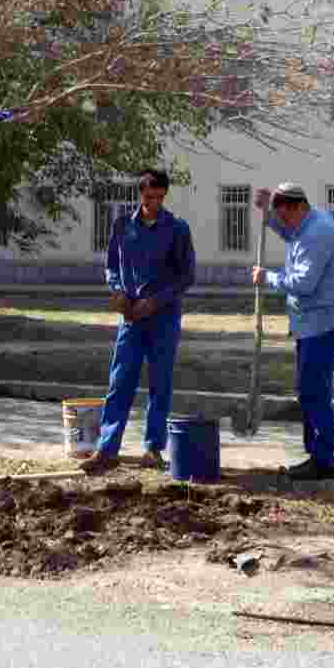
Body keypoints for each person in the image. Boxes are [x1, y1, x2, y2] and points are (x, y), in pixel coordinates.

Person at [81, 169, 196, 475]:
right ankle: (107, 450)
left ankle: (153, 449)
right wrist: (117, 292)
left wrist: (155, 302)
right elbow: (111, 267)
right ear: (140, 194)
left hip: (163, 317)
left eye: (160, 197)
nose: (154, 202)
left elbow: (186, 276)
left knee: (160, 384)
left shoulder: (177, 229)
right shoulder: (122, 226)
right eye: (149, 197)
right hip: (131, 318)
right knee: (120, 382)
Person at [252, 183, 334, 480]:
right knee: (309, 392)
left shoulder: (317, 232)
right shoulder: (305, 224)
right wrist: (268, 213)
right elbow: (288, 232)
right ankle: (318, 456)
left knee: (313, 392)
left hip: (325, 325)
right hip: (313, 325)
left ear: (298, 207)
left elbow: (304, 284)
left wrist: (267, 278)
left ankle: (323, 460)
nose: (283, 224)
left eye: (284, 215)